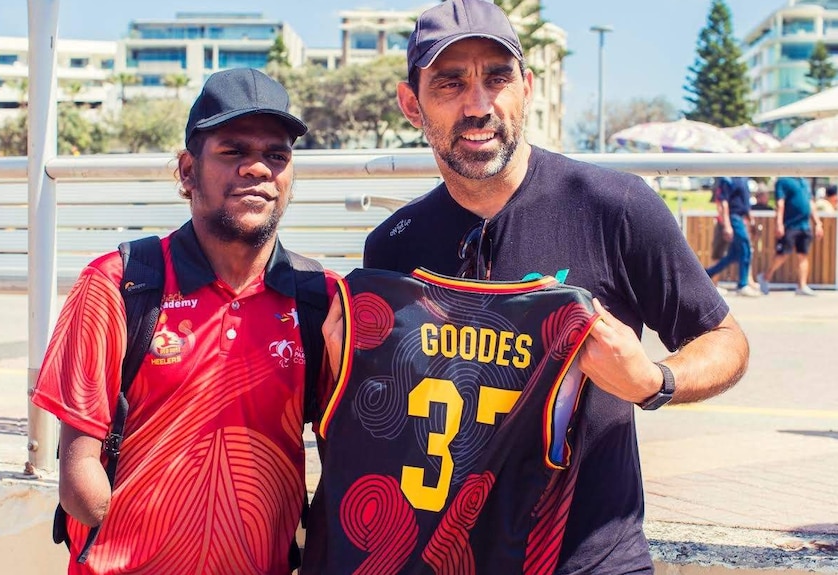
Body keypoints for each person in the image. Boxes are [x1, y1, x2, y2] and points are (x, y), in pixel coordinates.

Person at [304, 1, 750, 573]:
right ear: (412, 105)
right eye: (449, 83)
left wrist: (654, 380)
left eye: (497, 77)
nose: (479, 104)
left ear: (527, 87)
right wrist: (347, 368)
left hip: (591, 557)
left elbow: (725, 338)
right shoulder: (393, 245)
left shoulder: (617, 207)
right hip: (449, 556)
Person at [31, 68, 335, 575]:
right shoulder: (119, 284)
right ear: (187, 171)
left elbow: (345, 459)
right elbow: (79, 475)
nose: (258, 169)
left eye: (276, 155)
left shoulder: (318, 299)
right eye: (233, 151)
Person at [757, 177, 824, 296]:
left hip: (805, 226)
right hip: (790, 225)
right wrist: (779, 224)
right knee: (782, 254)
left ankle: (802, 286)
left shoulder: (804, 182)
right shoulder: (783, 181)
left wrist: (817, 223)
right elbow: (780, 203)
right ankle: (765, 277)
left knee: (803, 255)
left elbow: (811, 203)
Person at [705, 177, 761, 297]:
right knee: (745, 249)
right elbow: (723, 202)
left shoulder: (744, 179)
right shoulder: (728, 179)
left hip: (740, 218)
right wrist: (727, 225)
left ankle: (707, 274)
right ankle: (742, 285)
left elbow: (746, 203)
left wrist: (751, 220)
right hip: (733, 217)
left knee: (733, 255)